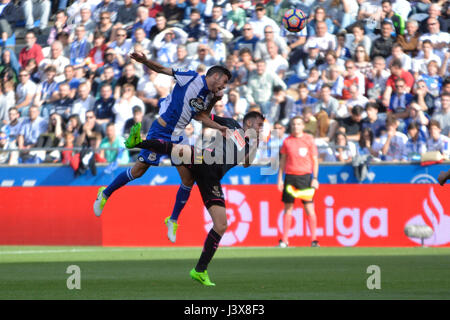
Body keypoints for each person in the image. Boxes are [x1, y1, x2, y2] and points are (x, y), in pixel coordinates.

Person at [93, 53, 232, 244]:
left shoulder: (210, 95)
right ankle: (105, 193)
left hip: (179, 136)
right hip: (161, 130)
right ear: (215, 76)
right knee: (139, 170)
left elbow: (201, 116)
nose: (223, 87)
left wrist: (219, 124)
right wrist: (144, 61)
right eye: (223, 82)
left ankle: (173, 219)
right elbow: (162, 69)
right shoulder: (190, 77)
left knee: (188, 178)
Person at [125, 110, 264, 286]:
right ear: (250, 123)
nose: (262, 128)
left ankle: (199, 270)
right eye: (260, 124)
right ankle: (139, 142)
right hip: (204, 158)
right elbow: (203, 116)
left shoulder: (247, 144)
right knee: (180, 150)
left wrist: (255, 145)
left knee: (221, 224)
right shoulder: (231, 124)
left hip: (211, 178)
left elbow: (246, 164)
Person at [277, 116, 320, 248]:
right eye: (294, 124)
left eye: (299, 124)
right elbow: (283, 161)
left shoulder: (309, 140)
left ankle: (314, 239)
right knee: (288, 209)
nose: (296, 126)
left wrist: (315, 178)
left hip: (305, 177)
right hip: (290, 177)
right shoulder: (287, 141)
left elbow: (315, 160)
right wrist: (280, 179)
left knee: (309, 208)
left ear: (303, 126)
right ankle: (284, 240)